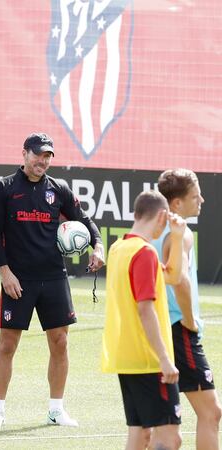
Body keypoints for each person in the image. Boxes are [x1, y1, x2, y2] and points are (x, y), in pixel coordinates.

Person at [0, 132, 105, 428]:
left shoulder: (59, 189)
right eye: (38, 154)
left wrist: (98, 246)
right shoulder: (5, 187)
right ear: (24, 154)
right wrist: (5, 272)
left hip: (53, 277)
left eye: (48, 156)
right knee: (7, 345)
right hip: (18, 279)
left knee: (60, 342)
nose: (43, 161)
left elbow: (85, 221)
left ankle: (56, 409)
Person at [101, 190, 186, 450]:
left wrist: (178, 237)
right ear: (162, 216)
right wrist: (164, 359)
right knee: (170, 438)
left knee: (139, 436)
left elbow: (171, 277)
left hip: (126, 359)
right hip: (149, 361)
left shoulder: (119, 248)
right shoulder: (145, 253)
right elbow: (145, 309)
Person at [152, 169, 222, 450]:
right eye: (195, 196)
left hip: (157, 329)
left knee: (163, 427)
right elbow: (179, 280)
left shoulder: (153, 228)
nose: (202, 200)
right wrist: (191, 322)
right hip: (178, 329)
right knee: (211, 412)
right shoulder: (182, 234)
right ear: (177, 203)